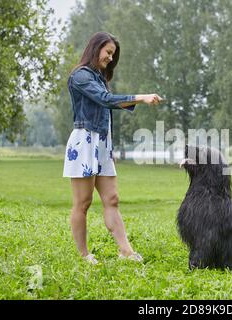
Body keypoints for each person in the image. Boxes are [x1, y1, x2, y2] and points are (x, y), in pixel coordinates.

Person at [63, 31, 162, 264]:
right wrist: (141, 97)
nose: (110, 57)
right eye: (108, 52)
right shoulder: (80, 76)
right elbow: (105, 100)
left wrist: (109, 149)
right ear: (95, 48)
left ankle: (125, 251)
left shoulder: (99, 78)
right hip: (84, 142)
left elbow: (106, 109)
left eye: (112, 54)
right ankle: (84, 255)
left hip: (102, 144)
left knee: (112, 198)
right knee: (83, 202)